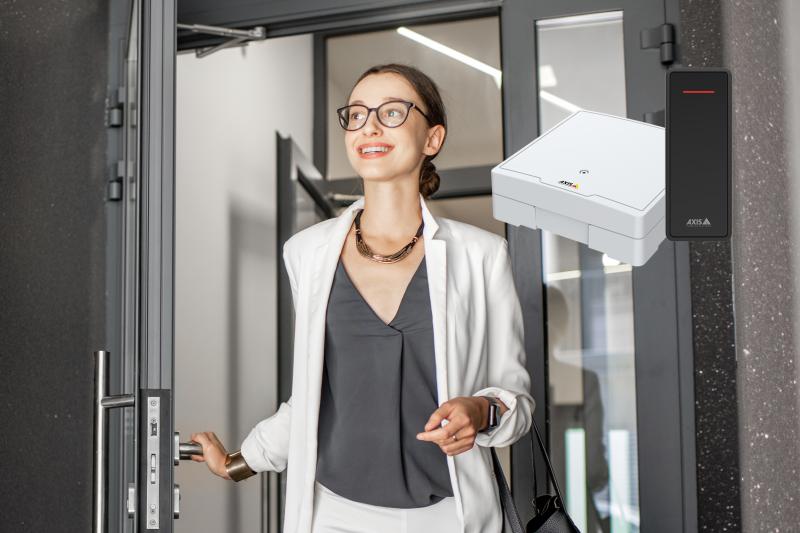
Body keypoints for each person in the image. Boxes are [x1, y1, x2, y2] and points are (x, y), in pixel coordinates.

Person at [191, 63, 534, 533]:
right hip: (334, 514)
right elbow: (314, 396)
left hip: (447, 515)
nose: (369, 126)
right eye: (356, 114)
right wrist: (236, 462)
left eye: (392, 112)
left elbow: (516, 403)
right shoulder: (307, 253)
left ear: (432, 139)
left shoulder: (482, 256)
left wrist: (483, 410)